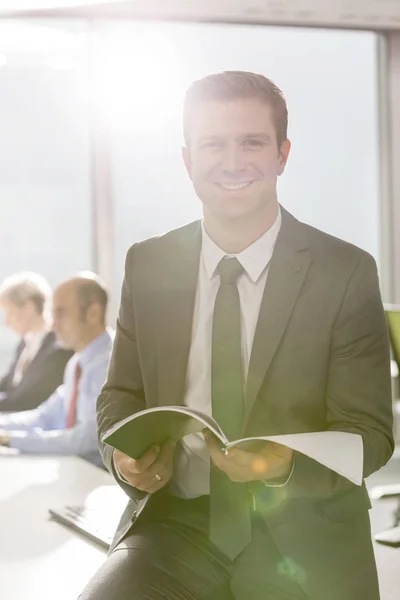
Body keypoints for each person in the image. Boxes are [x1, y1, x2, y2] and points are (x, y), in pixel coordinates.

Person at [80, 71, 394, 600]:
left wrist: (285, 464)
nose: (232, 161)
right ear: (187, 161)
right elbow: (121, 396)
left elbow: (371, 435)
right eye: (213, 143)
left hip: (305, 534)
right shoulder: (149, 263)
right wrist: (123, 458)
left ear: (282, 154)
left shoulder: (346, 271)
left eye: (251, 141)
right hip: (177, 526)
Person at [0, 272, 113, 467]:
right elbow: (46, 416)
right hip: (76, 470)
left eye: (60, 313)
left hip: (101, 478)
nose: (53, 324)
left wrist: (10, 439)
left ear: (93, 313)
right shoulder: (76, 363)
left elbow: (87, 440)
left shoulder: (111, 363)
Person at [0, 272, 73, 412]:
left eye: (10, 312)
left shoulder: (59, 348)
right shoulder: (24, 344)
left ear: (28, 307)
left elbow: (30, 400)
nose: (7, 322)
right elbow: (9, 383)